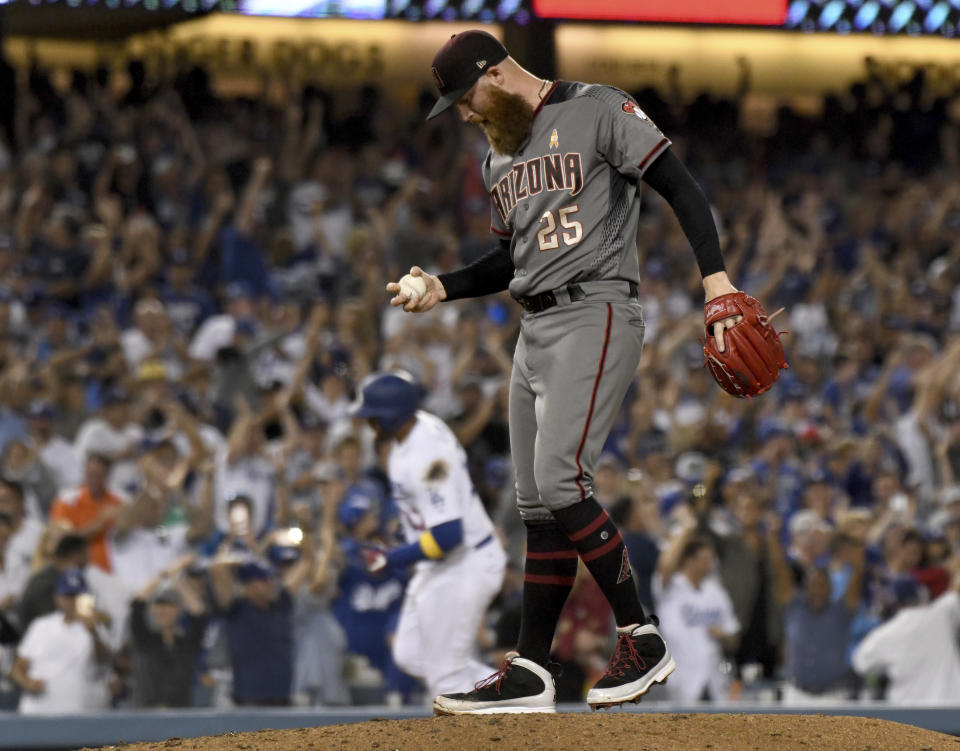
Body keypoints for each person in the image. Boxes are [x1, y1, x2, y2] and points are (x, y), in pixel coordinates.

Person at [388, 29, 743, 712]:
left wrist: (716, 280)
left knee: (559, 477)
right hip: (536, 323)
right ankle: (531, 668)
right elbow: (506, 262)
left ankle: (642, 634)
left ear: (494, 75)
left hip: (597, 306)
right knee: (535, 504)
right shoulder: (500, 157)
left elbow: (678, 183)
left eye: (466, 98)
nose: (465, 114)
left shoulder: (599, 109)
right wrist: (441, 285)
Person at [349, 372, 508, 703]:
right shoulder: (414, 431)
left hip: (467, 562)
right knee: (410, 654)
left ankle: (517, 715)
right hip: (441, 566)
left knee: (445, 676)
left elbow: (448, 535)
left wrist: (392, 558)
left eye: (374, 416)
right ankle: (514, 692)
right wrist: (400, 533)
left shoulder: (427, 453)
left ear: (392, 415)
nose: (369, 423)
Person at [653, 515, 740, 703]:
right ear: (689, 560)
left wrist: (724, 636)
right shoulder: (671, 587)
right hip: (681, 680)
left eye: (711, 559)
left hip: (714, 679)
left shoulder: (715, 591)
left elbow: (734, 636)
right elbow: (666, 565)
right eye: (705, 559)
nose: (710, 563)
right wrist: (686, 529)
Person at [851, 555, 960, 704]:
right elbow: (956, 592)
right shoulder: (941, 614)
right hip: (951, 709)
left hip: (907, 714)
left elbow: (861, 663)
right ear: (922, 595)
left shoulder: (886, 633)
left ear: (894, 603)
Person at [10, 567, 111, 714]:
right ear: (57, 597)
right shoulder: (41, 625)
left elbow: (103, 660)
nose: (73, 601)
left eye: (78, 595)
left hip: (79, 713)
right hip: (37, 711)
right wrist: (27, 683)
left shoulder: (98, 628)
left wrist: (92, 631)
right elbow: (18, 668)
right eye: (68, 595)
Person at [128, 556, 208, 708]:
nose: (163, 610)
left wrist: (176, 580)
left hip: (181, 718)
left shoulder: (187, 644)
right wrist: (162, 575)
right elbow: (137, 604)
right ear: (153, 609)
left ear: (178, 610)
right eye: (159, 605)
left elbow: (199, 614)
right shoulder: (145, 640)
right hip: (147, 717)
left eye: (169, 605)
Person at [49, 453, 124, 572]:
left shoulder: (118, 501)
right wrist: (96, 525)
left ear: (107, 475)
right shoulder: (67, 500)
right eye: (90, 474)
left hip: (112, 568)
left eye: (99, 475)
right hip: (77, 569)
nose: (94, 479)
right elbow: (61, 541)